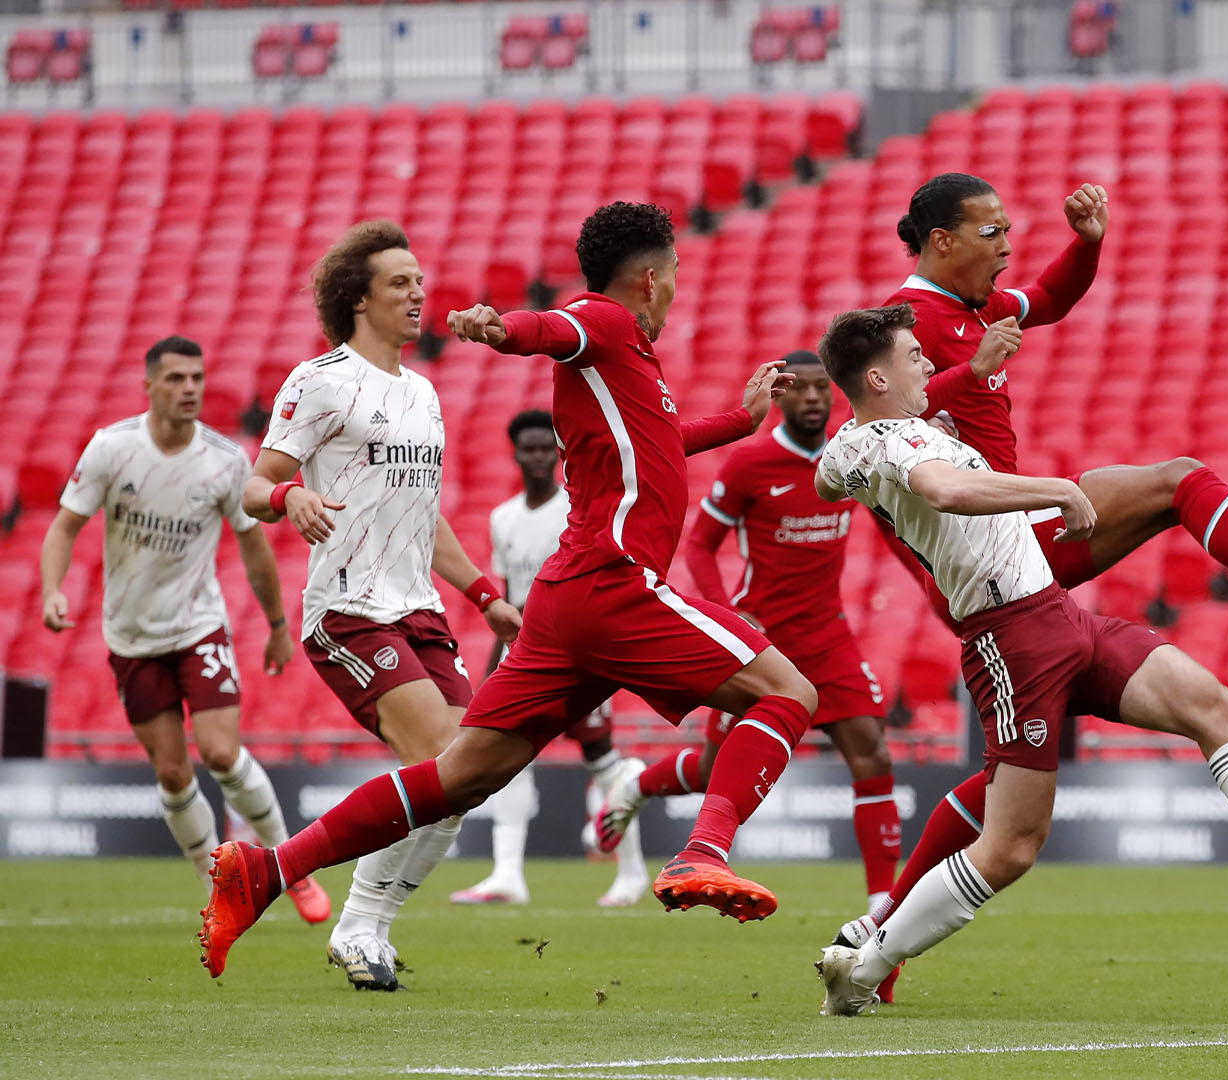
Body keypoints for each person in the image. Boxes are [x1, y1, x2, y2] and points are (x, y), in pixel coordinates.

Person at [198, 201, 808, 981]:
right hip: (609, 583)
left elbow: (658, 440)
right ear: (652, 278)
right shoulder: (610, 325)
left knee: (461, 776)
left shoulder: (615, 375)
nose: (679, 289)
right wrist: (502, 329)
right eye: (677, 275)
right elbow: (559, 328)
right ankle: (703, 850)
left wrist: (740, 420)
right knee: (788, 692)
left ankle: (267, 871)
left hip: (557, 602)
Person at [845, 174, 1228, 961]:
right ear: (941, 242)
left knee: (1016, 783)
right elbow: (876, 434)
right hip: (989, 560)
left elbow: (1052, 298)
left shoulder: (980, 310)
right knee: (1176, 481)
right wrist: (967, 376)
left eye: (1010, 227)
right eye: (991, 230)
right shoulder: (905, 329)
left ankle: (877, 937)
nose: (1007, 243)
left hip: (1022, 550)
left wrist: (1089, 243)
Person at [238, 221, 522, 990]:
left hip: (420, 608)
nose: (418, 294)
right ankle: (348, 916)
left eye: (420, 281)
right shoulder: (320, 379)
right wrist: (290, 494)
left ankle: (364, 927)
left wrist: (484, 594)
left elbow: (420, 512)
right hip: (349, 608)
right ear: (358, 299)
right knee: (440, 759)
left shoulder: (422, 392)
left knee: (468, 779)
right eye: (400, 283)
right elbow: (254, 484)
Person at [39, 336, 329, 924]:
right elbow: (65, 526)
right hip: (131, 637)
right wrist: (51, 588)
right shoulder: (111, 449)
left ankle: (289, 870)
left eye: (196, 377)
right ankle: (219, 886)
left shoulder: (223, 461)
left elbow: (254, 548)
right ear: (149, 386)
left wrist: (276, 625)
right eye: (175, 379)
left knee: (222, 752)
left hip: (199, 627)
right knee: (172, 773)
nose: (189, 388)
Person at [612, 350, 900, 915]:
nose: (815, 398)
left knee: (873, 753)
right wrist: (728, 616)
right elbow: (698, 544)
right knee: (714, 770)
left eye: (824, 388)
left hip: (828, 636)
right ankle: (640, 786)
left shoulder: (850, 457)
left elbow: (894, 531)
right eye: (802, 389)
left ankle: (882, 910)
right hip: (763, 643)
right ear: (781, 395)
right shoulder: (751, 465)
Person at [449, 409, 649, 909]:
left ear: (557, 455)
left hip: (578, 653)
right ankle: (507, 875)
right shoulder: (503, 519)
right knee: (508, 762)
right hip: (528, 655)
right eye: (529, 448)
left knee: (602, 760)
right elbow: (509, 603)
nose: (538, 457)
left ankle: (632, 871)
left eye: (546, 448)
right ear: (515, 453)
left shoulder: (573, 513)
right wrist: (495, 668)